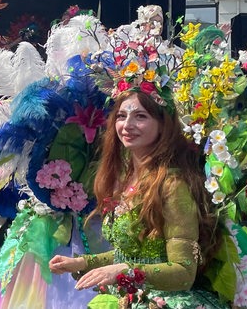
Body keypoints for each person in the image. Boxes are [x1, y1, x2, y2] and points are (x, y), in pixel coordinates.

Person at [48, 91, 226, 308]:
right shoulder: (125, 179)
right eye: (121, 116)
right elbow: (132, 253)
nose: (127, 125)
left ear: (163, 125)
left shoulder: (173, 185)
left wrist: (125, 271)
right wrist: (82, 262)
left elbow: (184, 272)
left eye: (140, 116)